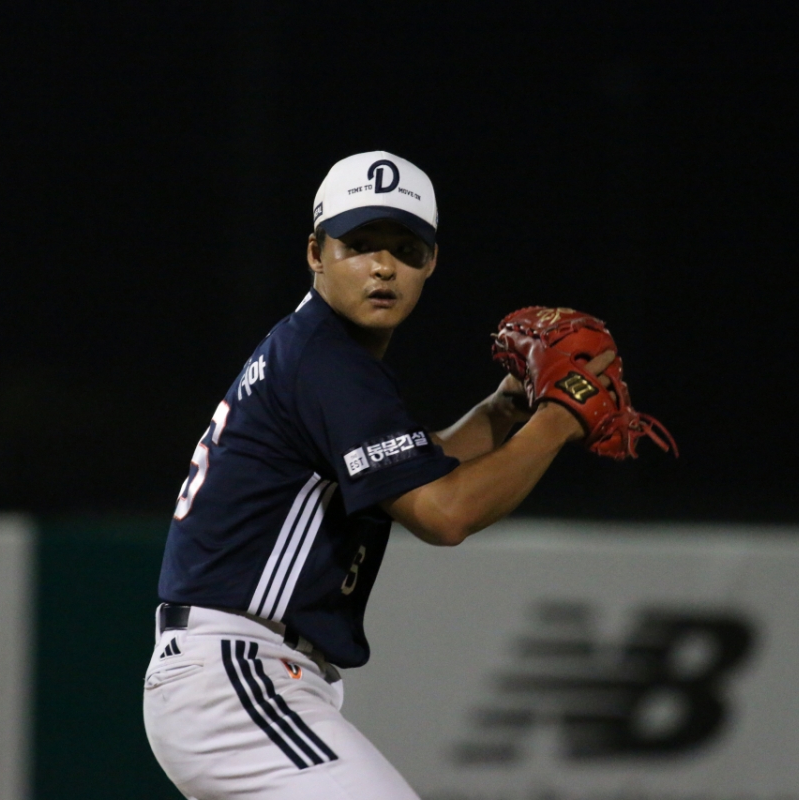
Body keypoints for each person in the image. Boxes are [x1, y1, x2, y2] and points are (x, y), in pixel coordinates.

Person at [143, 151, 615, 799]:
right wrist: (562, 416)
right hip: (236, 674)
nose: (384, 266)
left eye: (406, 248)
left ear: (432, 262)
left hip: (235, 673)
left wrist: (505, 409)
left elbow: (414, 467)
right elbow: (444, 513)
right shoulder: (329, 365)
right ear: (316, 253)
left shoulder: (314, 351)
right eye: (360, 244)